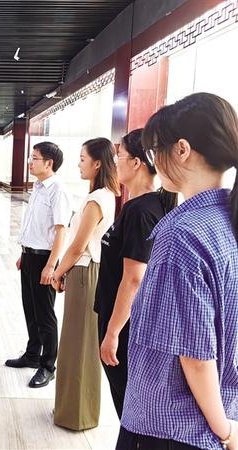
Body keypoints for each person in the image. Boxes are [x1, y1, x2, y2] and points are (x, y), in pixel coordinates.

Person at [118, 93, 238, 450]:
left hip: (170, 427)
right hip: (213, 413)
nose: (154, 161)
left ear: (182, 149)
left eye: (156, 150)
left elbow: (197, 357)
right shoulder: (225, 220)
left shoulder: (181, 235)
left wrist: (225, 432)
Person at [94, 129, 177, 419]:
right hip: (122, 317)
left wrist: (113, 332)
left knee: (130, 404)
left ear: (137, 163)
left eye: (119, 156)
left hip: (126, 324)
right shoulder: (143, 206)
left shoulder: (142, 211)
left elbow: (134, 278)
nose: (114, 163)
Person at [51, 137, 119, 431]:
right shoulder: (106, 195)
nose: (78, 164)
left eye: (82, 159)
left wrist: (57, 272)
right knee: (80, 344)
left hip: (83, 271)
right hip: (88, 270)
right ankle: (76, 410)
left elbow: (78, 246)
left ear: (97, 163)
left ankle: (76, 415)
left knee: (77, 346)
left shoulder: (96, 200)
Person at [5, 142, 72, 388]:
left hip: (45, 259)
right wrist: (24, 253)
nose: (30, 163)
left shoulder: (58, 191)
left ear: (49, 163)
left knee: (45, 315)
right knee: (30, 309)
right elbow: (34, 225)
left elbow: (61, 231)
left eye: (34, 158)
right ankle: (32, 354)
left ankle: (47, 366)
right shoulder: (38, 187)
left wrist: (51, 266)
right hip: (30, 256)